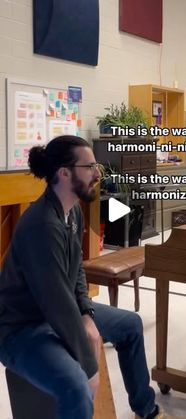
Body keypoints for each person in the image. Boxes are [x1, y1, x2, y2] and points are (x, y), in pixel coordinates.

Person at [0, 135, 161, 419]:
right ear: (64, 173)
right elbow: (56, 303)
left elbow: (76, 274)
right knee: (76, 385)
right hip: (20, 330)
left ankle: (146, 411)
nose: (98, 174)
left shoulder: (72, 210)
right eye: (90, 167)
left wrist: (87, 314)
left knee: (130, 325)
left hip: (57, 312)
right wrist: (89, 366)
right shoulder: (41, 225)